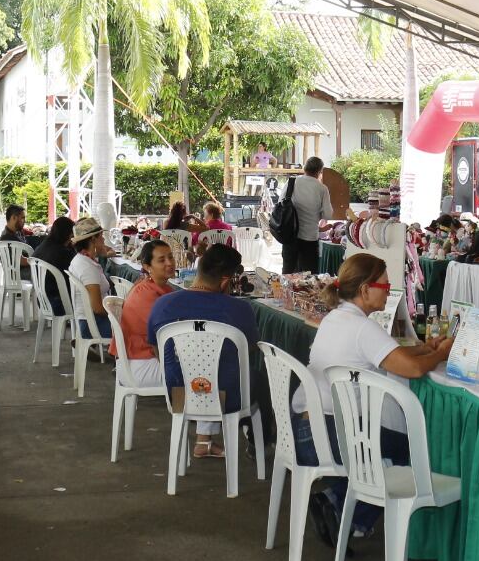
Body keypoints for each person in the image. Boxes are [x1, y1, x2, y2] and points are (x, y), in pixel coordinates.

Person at [296, 252, 454, 542]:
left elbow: (391, 353)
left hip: (310, 428)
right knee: (406, 448)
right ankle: (342, 507)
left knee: (386, 443)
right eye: (385, 286)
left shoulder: (337, 317)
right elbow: (414, 369)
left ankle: (341, 506)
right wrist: (442, 353)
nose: (389, 292)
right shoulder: (362, 327)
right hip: (332, 436)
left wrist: (426, 348)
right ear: (365, 289)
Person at [145, 244, 257, 460]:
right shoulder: (241, 309)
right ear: (225, 281)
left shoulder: (162, 305)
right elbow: (249, 349)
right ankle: (260, 439)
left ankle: (205, 439)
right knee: (255, 377)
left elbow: (155, 347)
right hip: (228, 398)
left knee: (207, 372)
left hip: (179, 394)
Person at [114, 239, 177, 388]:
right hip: (139, 365)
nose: (169, 263)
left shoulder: (160, 287)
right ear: (147, 267)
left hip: (144, 358)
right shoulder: (145, 293)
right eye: (161, 260)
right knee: (200, 370)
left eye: (170, 257)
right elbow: (164, 334)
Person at [283, 156, 334, 274]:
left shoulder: (291, 182)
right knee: (309, 275)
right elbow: (328, 215)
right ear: (319, 171)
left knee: (288, 272)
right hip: (310, 238)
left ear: (305, 168)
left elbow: (281, 204)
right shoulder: (322, 188)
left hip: (290, 236)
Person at [67, 217, 112, 339]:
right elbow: (97, 308)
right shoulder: (87, 267)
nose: (103, 239)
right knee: (137, 325)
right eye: (101, 236)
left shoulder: (81, 259)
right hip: (92, 324)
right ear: (93, 239)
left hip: (87, 320)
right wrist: (117, 313)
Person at [33, 216, 76, 316]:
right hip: (58, 303)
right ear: (69, 234)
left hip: (42, 300)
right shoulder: (63, 253)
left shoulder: (43, 245)